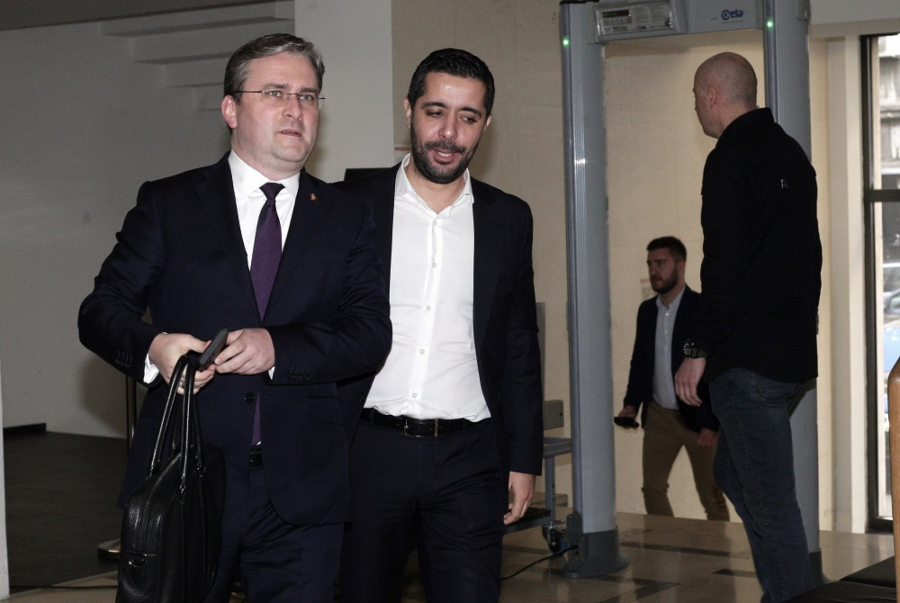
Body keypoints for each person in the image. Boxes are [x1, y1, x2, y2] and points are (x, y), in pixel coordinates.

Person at [78, 33, 391, 603]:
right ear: (231, 108)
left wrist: (279, 349)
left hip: (303, 491)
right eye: (275, 92)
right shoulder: (170, 203)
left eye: (308, 96)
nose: (295, 109)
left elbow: (369, 335)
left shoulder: (347, 215)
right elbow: (100, 310)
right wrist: (155, 348)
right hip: (187, 478)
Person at [335, 48, 544, 603]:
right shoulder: (347, 207)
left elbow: (519, 342)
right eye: (435, 112)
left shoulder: (508, 218)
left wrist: (524, 459)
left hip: (469, 459)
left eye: (467, 117)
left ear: (486, 125)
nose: (449, 133)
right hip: (366, 452)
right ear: (409, 110)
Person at [674, 52, 821, 603]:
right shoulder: (789, 151)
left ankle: (787, 594)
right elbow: (809, 257)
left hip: (748, 364)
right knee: (737, 475)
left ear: (713, 95)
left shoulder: (730, 158)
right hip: (789, 360)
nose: (695, 106)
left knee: (773, 505)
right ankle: (780, 590)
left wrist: (697, 348)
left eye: (695, 95)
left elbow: (724, 265)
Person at [616, 236, 729, 521]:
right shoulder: (646, 312)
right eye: (650, 264)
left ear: (681, 266)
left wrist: (712, 423)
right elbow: (640, 362)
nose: (654, 271)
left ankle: (719, 548)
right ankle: (667, 544)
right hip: (659, 417)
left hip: (699, 417)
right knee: (653, 490)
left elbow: (716, 367)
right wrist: (631, 404)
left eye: (661, 264)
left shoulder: (701, 308)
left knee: (711, 495)